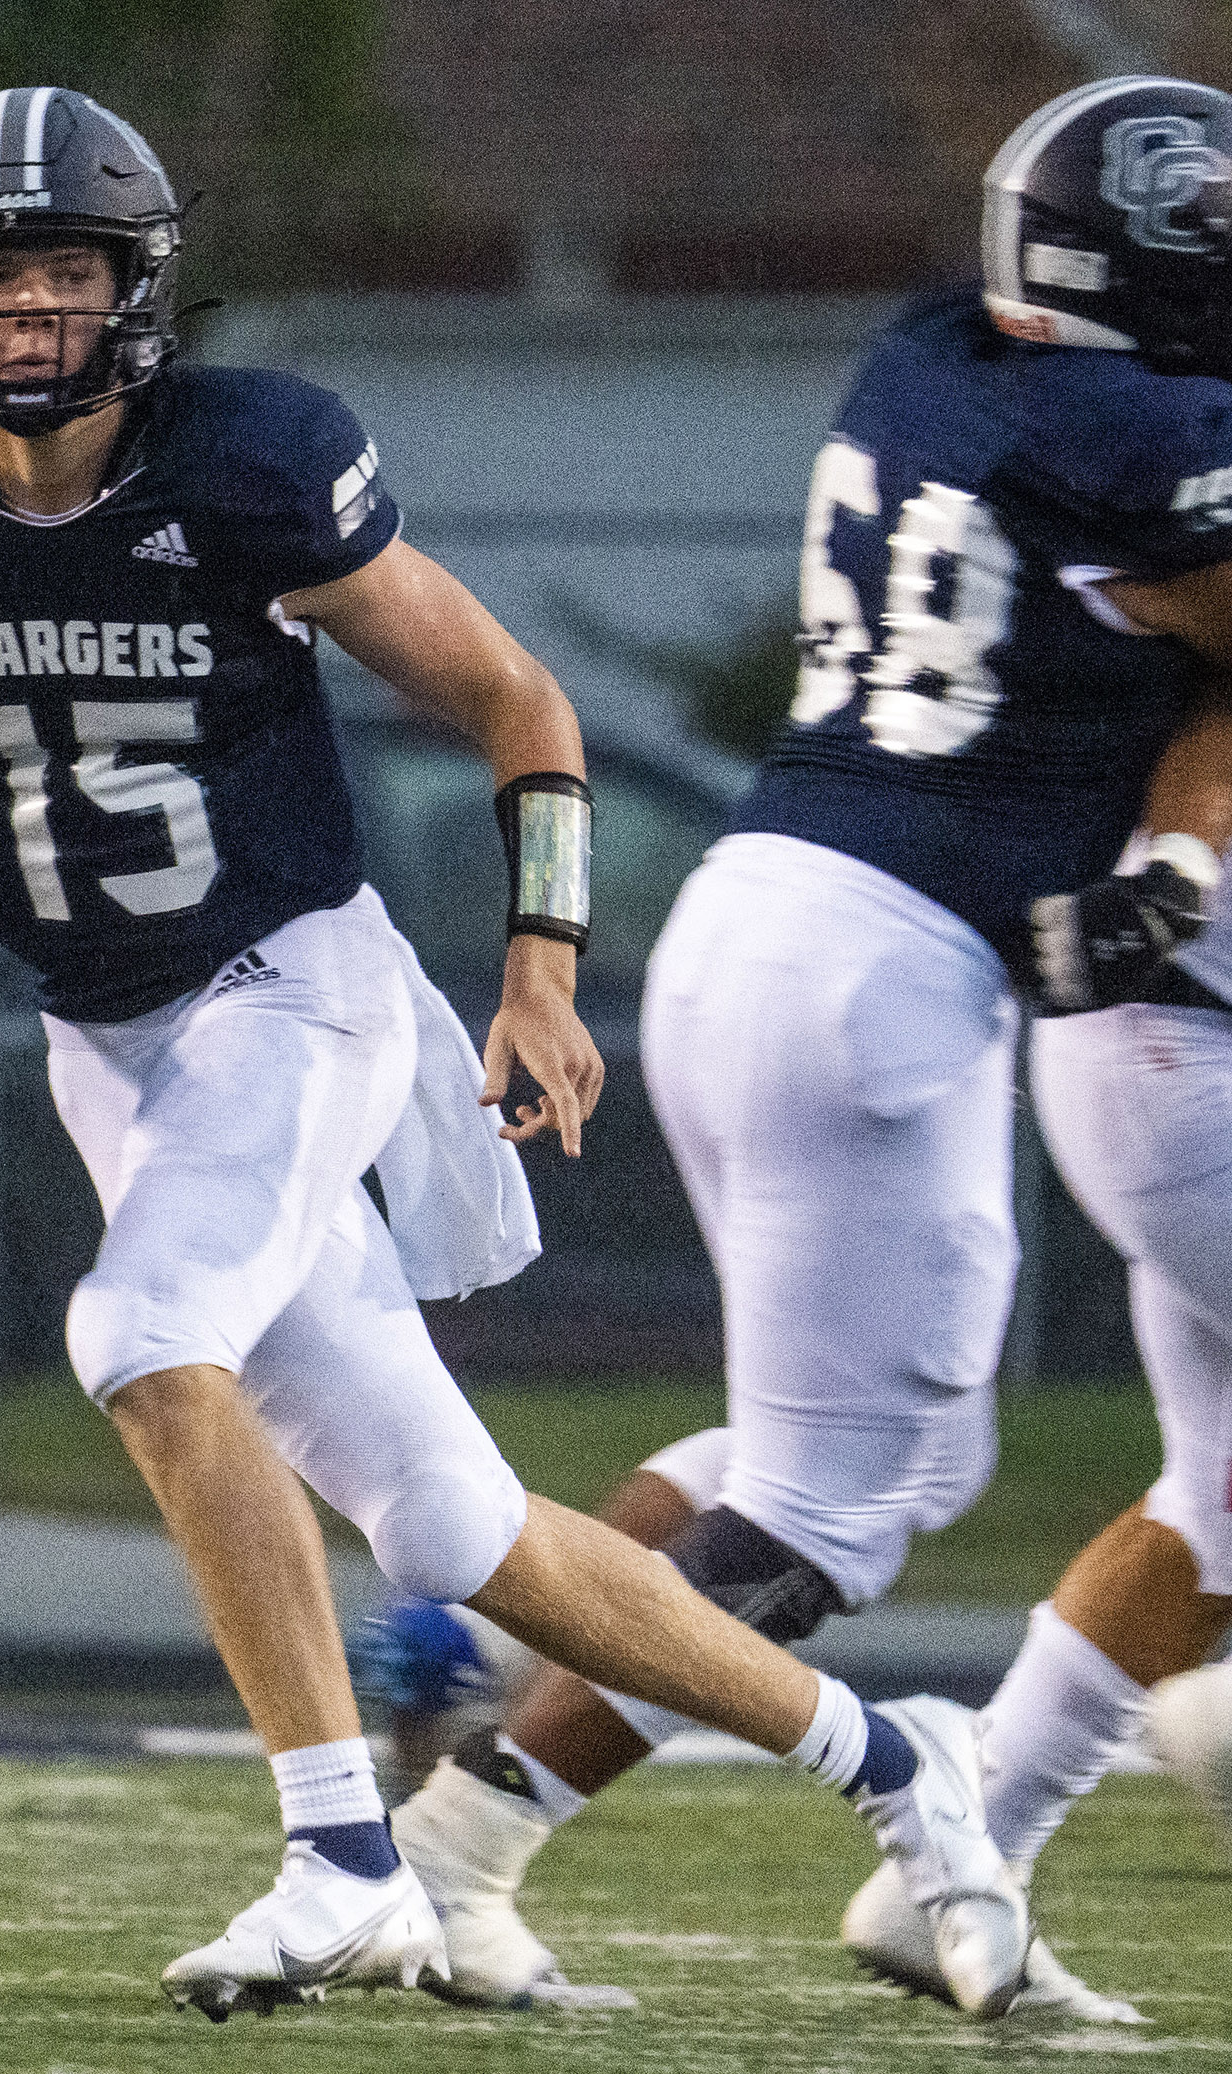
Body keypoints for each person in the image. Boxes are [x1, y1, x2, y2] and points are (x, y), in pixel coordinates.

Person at [0, 85, 1029, 2022]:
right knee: (452, 1524)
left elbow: (516, 696)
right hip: (109, 1045)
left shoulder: (246, 469)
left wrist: (540, 966)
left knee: (139, 1333)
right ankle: (904, 1763)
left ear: (132, 290)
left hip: (291, 985)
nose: (22, 311)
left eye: (61, 270)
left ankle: (342, 1853)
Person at [380, 74, 1232, 2025]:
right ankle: (457, 1837)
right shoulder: (1146, 438)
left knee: (842, 1454)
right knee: (835, 1503)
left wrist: (1173, 848)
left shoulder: (936, 351)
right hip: (879, 968)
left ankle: (459, 1647)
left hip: (779, 912)